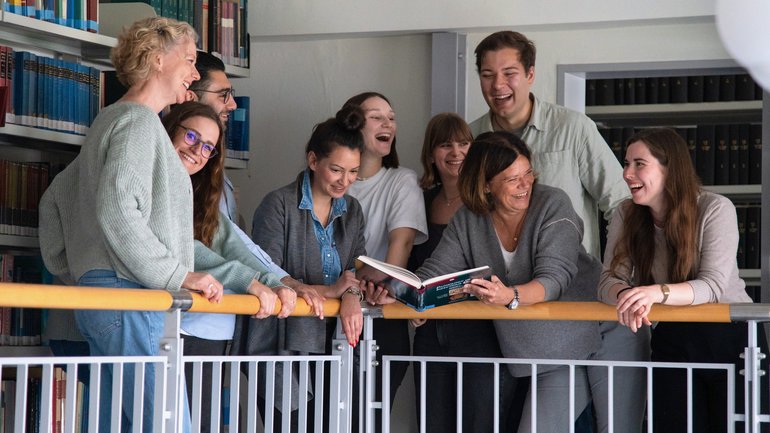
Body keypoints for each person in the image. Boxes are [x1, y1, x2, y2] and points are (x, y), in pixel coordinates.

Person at [37, 17, 212, 433]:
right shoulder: (139, 123)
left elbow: (53, 201)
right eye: (188, 59)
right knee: (169, 425)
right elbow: (117, 211)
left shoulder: (109, 120)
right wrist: (176, 275)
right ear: (156, 60)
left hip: (104, 294)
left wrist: (75, 269)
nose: (195, 72)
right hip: (130, 295)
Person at [470, 30, 643, 433]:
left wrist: (617, 277)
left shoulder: (573, 128)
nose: (498, 85)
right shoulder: (472, 137)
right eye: (487, 74)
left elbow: (620, 202)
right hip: (520, 327)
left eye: (509, 72)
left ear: (531, 74)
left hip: (588, 308)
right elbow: (468, 217)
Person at [417, 131, 602, 433]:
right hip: (529, 352)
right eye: (512, 179)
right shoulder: (468, 218)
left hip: (588, 338)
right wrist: (398, 291)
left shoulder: (552, 202)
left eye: (528, 173)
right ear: (485, 184)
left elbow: (555, 278)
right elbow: (436, 271)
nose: (525, 184)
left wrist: (510, 295)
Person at [598, 128, 765, 433]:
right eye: (626, 163)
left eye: (639, 163)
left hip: (730, 338)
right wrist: (627, 295)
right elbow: (609, 279)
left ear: (669, 168)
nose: (626, 173)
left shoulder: (716, 208)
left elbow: (713, 285)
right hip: (672, 337)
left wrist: (653, 293)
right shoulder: (625, 213)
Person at [162, 101, 297, 433]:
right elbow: (180, 249)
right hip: (171, 328)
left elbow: (233, 245)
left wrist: (274, 282)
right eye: (191, 136)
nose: (197, 150)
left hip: (209, 328)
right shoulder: (155, 181)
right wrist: (250, 280)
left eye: (207, 146)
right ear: (170, 130)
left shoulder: (198, 192)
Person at [234, 103, 367, 431]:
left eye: (353, 172)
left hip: (330, 340)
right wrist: (335, 290)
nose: (345, 181)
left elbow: (355, 268)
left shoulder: (353, 210)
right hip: (281, 341)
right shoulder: (277, 204)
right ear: (312, 160)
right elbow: (268, 273)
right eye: (336, 170)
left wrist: (351, 292)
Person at [406, 113, 504, 432]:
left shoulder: (485, 204)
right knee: (431, 424)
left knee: (479, 423)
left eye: (464, 143)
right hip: (429, 335)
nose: (456, 152)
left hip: (480, 333)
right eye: (445, 144)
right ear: (430, 153)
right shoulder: (419, 202)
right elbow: (410, 267)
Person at [343, 91, 428, 430]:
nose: (388, 124)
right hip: (329, 315)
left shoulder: (401, 180)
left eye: (391, 118)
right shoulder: (333, 180)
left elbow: (398, 255)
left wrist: (347, 285)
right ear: (353, 123)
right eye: (377, 116)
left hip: (381, 312)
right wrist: (346, 287)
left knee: (368, 420)